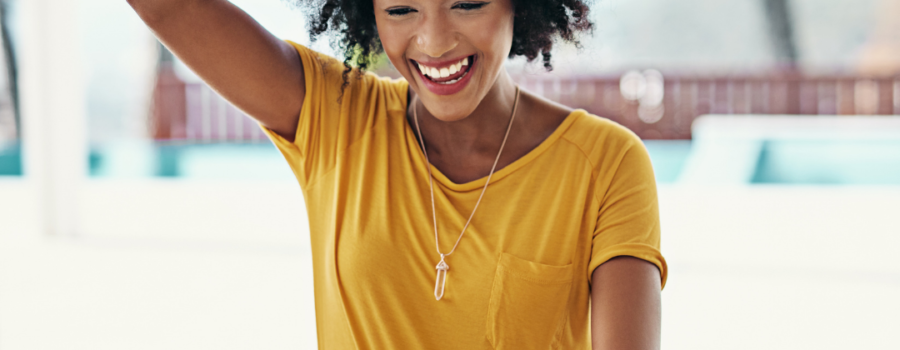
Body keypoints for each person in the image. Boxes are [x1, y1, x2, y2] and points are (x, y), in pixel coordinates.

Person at [128, 0, 667, 348]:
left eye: (467, 4)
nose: (433, 42)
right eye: (402, 9)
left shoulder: (605, 163)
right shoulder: (335, 116)